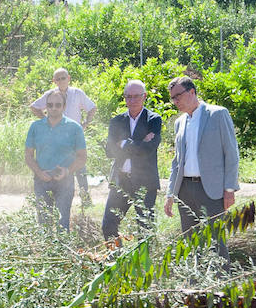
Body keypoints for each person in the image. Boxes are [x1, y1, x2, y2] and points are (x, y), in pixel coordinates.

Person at [163, 76, 240, 258]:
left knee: (216, 242)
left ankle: (222, 275)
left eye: (178, 96)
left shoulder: (218, 114)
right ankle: (195, 276)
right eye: (173, 98)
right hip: (185, 190)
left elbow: (231, 153)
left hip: (211, 190)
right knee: (191, 242)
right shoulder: (180, 122)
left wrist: (229, 189)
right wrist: (170, 194)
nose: (175, 101)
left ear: (192, 92)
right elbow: (177, 162)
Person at [102, 80, 163, 243]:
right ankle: (116, 257)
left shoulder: (153, 120)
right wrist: (139, 142)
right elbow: (109, 151)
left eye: (136, 96)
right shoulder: (117, 121)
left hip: (145, 182)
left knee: (145, 228)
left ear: (145, 96)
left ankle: (144, 259)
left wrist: (123, 143)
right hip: (121, 180)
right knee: (108, 225)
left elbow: (149, 149)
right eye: (128, 96)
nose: (132, 100)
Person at [31, 68, 96, 207]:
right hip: (56, 138)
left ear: (69, 78)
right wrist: (45, 121)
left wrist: (85, 124)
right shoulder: (51, 95)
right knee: (59, 166)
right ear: (54, 81)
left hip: (74, 136)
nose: (61, 81)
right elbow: (34, 107)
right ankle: (55, 198)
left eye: (63, 78)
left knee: (80, 167)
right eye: (58, 79)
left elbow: (92, 108)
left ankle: (85, 199)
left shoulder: (77, 93)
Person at [24, 90, 87, 230]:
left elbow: (82, 157)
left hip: (65, 181)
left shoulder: (75, 128)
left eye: (58, 105)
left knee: (62, 225)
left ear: (64, 106)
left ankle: (62, 244)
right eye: (50, 105)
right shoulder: (36, 127)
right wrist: (39, 173)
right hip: (41, 179)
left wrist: (67, 171)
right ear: (46, 106)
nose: (53, 108)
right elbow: (28, 155)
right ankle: (45, 244)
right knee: (43, 224)